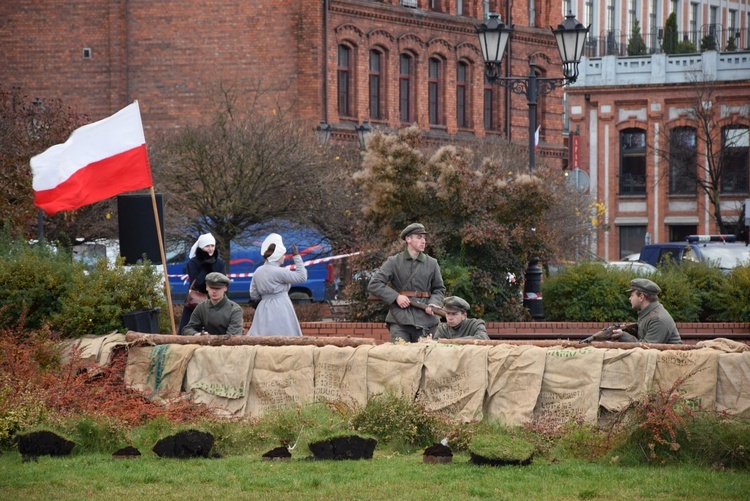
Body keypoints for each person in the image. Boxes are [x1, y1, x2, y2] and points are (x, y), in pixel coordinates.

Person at [368, 223, 446, 343]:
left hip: (427, 319)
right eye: (419, 237)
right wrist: (396, 297)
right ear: (408, 239)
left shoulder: (432, 263)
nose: (423, 241)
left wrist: (434, 303)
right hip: (400, 319)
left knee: (428, 358)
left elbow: (439, 289)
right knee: (400, 358)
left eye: (424, 238)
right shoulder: (393, 262)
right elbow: (375, 284)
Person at [247, 233, 307, 336]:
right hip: (281, 306)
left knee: (261, 337)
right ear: (278, 256)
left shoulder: (258, 271)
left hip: (263, 308)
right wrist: (297, 257)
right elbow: (302, 276)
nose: (283, 257)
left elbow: (253, 294)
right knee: (286, 336)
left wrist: (265, 297)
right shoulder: (280, 272)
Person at [179, 233, 225, 334]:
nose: (210, 248)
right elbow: (198, 282)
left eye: (212, 245)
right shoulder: (192, 263)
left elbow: (223, 281)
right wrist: (206, 266)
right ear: (201, 247)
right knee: (190, 330)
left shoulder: (220, 262)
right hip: (196, 302)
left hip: (215, 300)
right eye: (207, 246)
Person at [612, 278, 682, 344]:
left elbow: (647, 347)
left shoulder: (657, 319)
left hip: (669, 356)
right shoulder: (648, 314)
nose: (630, 298)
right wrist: (630, 331)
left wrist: (624, 336)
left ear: (641, 297)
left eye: (632, 295)